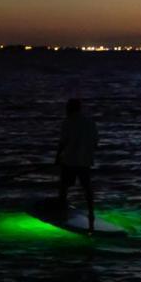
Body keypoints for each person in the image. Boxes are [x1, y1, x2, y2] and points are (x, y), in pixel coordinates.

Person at [56, 97, 99, 234]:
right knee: (87, 188)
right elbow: (95, 142)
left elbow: (63, 142)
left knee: (64, 186)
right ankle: (91, 214)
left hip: (70, 160)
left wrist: (57, 157)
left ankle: (61, 212)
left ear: (70, 108)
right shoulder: (90, 123)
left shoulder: (67, 122)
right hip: (85, 161)